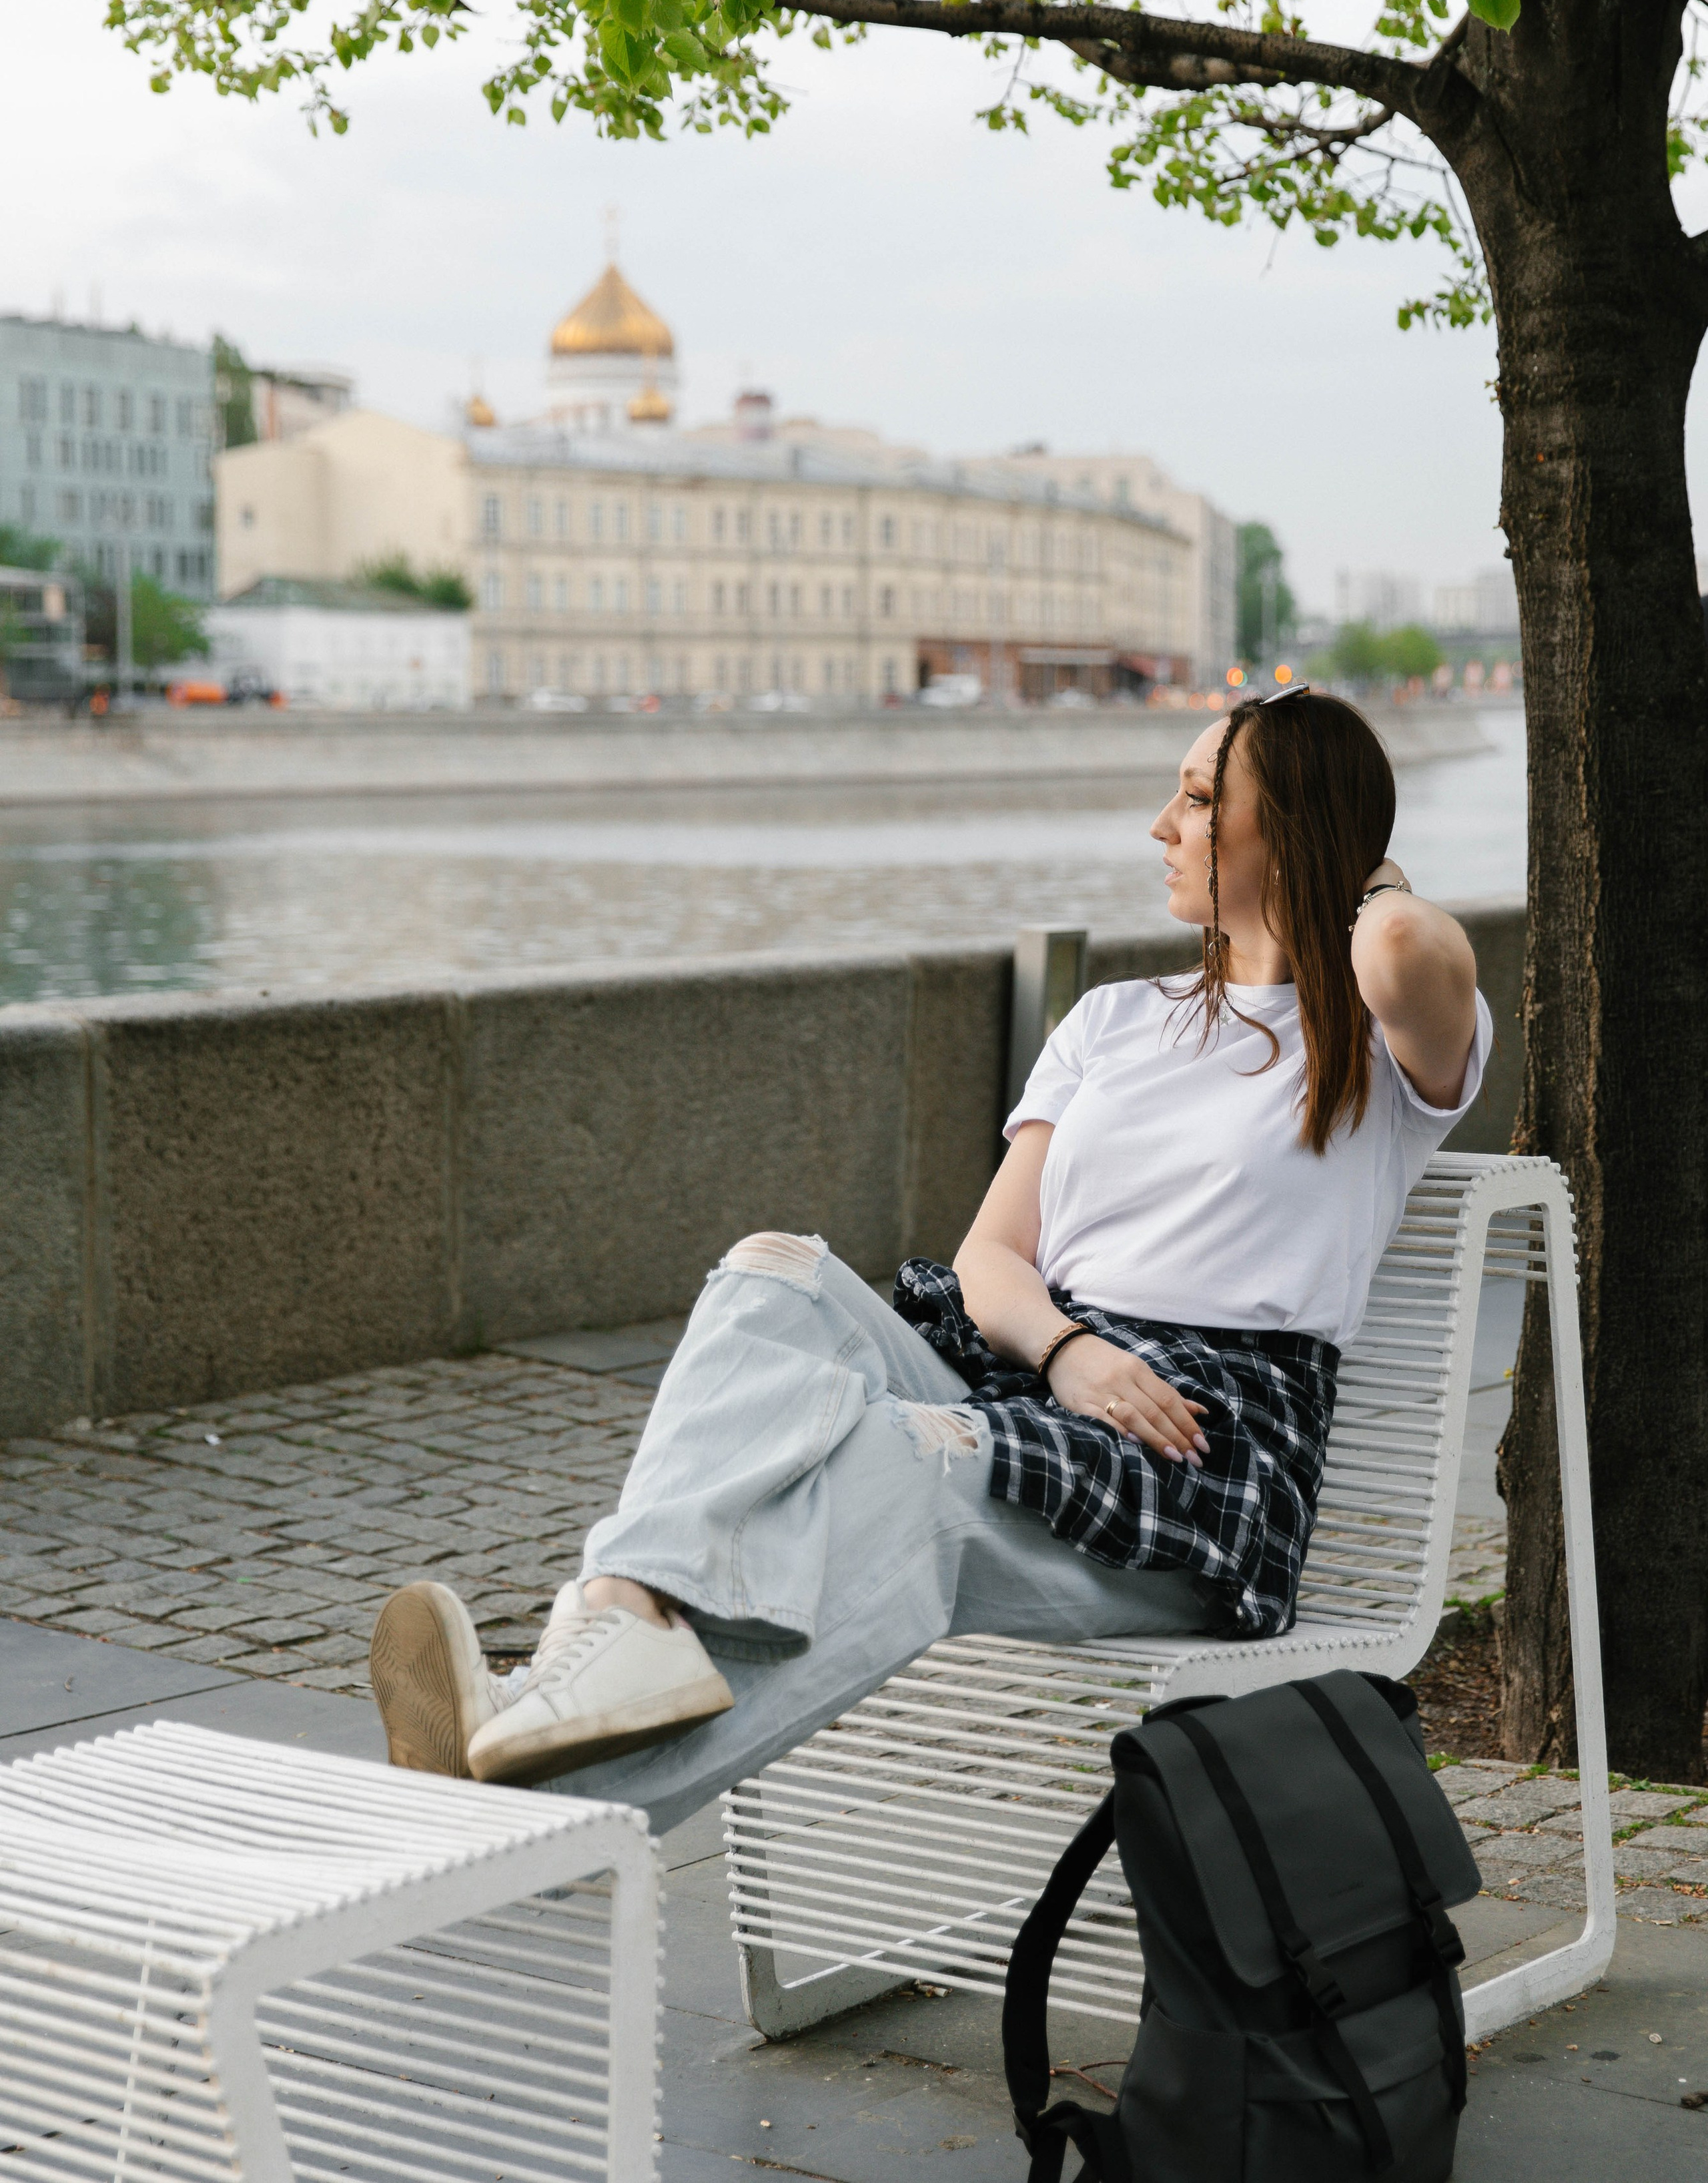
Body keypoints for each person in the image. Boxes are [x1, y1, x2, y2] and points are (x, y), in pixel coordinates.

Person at [370, 687, 1489, 1839]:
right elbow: (990, 1257)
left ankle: (522, 1795)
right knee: (771, 1275)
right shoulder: (1114, 1020)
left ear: (1292, 831)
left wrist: (1359, 868)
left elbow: (1403, 942)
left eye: (1200, 799)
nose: (1160, 825)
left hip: (1192, 1456)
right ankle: (619, 1617)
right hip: (1042, 1370)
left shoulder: (1374, 1045)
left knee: (902, 1458)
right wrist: (1068, 1353)